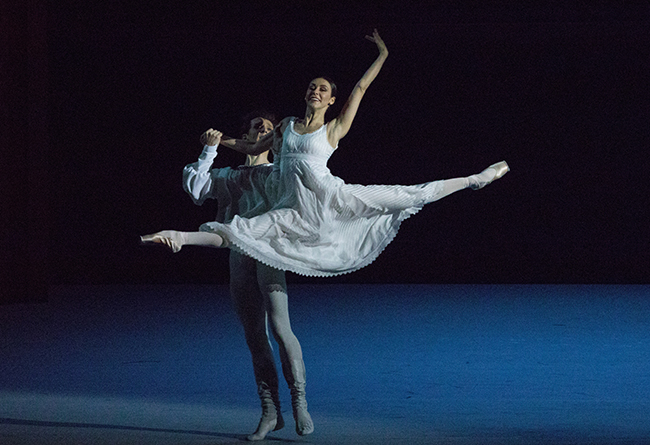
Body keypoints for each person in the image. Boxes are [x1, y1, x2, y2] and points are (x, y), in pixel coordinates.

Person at [141, 29, 510, 278]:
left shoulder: (332, 129)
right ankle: (179, 237)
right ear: (306, 95)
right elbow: (252, 146)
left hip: (331, 197)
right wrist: (217, 142)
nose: (316, 91)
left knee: (408, 193)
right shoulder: (284, 125)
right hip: (292, 207)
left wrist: (383, 52)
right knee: (240, 232)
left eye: (323, 89)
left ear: (332, 99)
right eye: (312, 87)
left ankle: (474, 180)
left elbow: (362, 88)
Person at [182, 112, 313, 440]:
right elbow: (196, 190)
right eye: (258, 126)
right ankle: (270, 411)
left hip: (269, 253)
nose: (264, 130)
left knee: (281, 329)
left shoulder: (276, 172)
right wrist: (209, 150)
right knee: (255, 336)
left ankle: (300, 402)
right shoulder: (228, 174)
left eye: (269, 129)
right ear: (246, 135)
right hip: (240, 257)